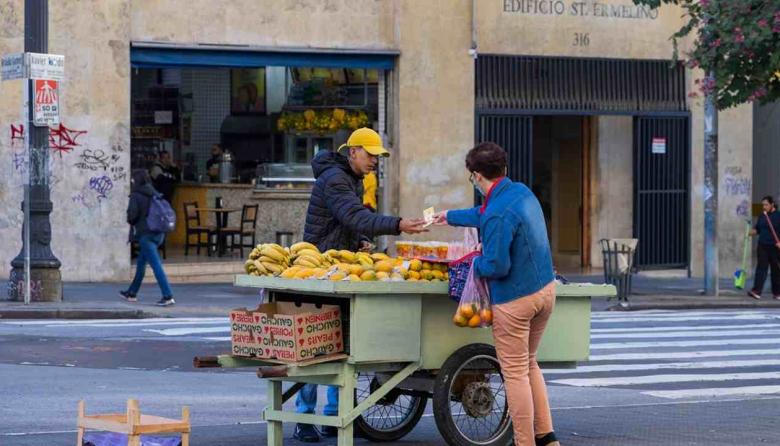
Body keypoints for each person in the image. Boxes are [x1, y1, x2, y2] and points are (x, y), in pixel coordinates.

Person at [293, 128, 428, 443]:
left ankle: (331, 417)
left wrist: (362, 241)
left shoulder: (349, 178)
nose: (373, 162)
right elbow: (354, 216)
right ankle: (303, 417)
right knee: (316, 344)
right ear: (352, 151)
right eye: (370, 155)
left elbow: (346, 223)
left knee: (338, 343)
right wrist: (397, 224)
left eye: (377, 157)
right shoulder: (335, 180)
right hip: (319, 269)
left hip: (338, 269)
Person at [432, 142, 560, 446]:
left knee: (514, 373)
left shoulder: (497, 214)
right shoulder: (521, 194)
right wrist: (448, 216)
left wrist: (476, 258)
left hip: (515, 299)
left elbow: (497, 265)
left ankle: (525, 442)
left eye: (471, 178)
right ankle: (547, 437)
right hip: (545, 291)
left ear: (477, 176)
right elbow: (484, 213)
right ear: (504, 170)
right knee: (529, 364)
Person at [120, 169, 175, 307]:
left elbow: (132, 216)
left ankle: (167, 295)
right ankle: (132, 292)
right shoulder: (154, 192)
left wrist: (132, 219)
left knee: (156, 266)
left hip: (146, 235)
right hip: (159, 233)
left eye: (132, 180)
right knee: (141, 264)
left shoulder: (136, 195)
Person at [748, 196, 780, 300]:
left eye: (766, 205)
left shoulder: (778, 216)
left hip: (775, 247)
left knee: (776, 270)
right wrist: (753, 232)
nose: (764, 207)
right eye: (763, 205)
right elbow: (758, 229)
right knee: (761, 268)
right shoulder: (762, 216)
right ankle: (757, 291)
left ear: (772, 204)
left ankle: (777, 293)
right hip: (762, 245)